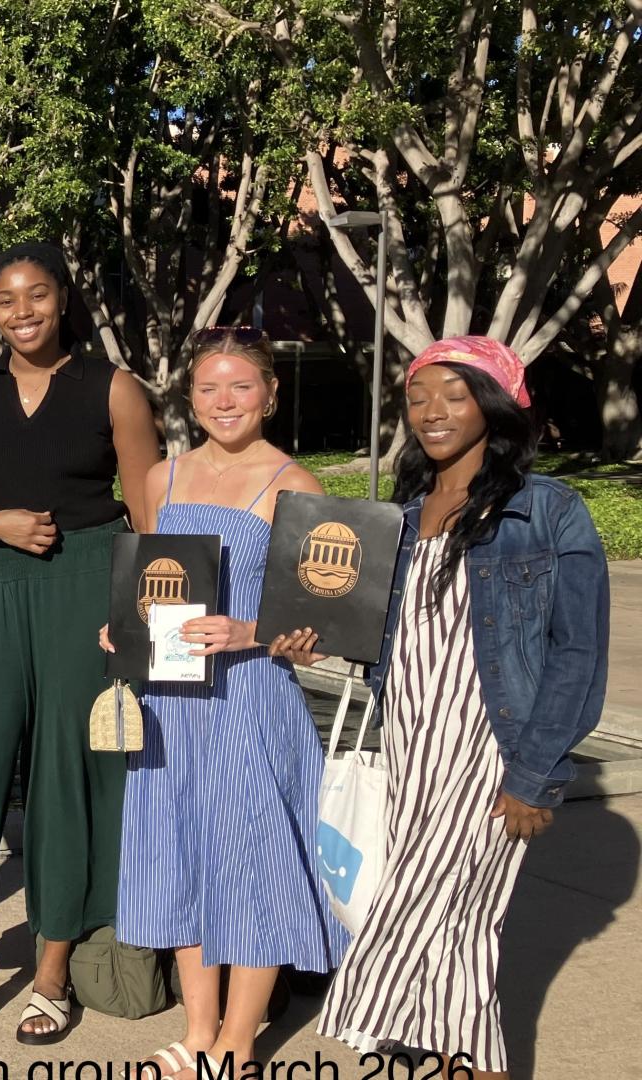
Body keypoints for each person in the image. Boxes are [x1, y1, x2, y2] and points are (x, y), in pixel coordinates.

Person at [283, 337, 609, 1080]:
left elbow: (578, 654)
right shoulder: (398, 517)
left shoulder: (547, 510)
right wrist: (318, 642)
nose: (431, 412)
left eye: (453, 395)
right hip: (410, 746)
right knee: (457, 936)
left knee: (441, 919)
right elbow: (389, 643)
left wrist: (534, 775)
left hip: (490, 749)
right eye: (418, 397)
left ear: (493, 404)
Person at [0, 242, 160, 1051]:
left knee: (68, 772)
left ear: (63, 300)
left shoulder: (113, 388)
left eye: (37, 295)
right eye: (7, 299)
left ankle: (51, 974)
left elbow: (150, 519)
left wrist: (138, 614)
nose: (22, 312)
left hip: (86, 582)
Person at [102, 329, 345, 1079]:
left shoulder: (295, 483)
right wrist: (124, 628)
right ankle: (198, 1027)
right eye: (210, 387)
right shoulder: (159, 480)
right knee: (181, 852)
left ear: (270, 393)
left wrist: (251, 630)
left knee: (254, 861)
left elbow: (323, 625)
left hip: (249, 699)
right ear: (190, 397)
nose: (225, 401)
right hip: (171, 701)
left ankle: (239, 1040)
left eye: (241, 386)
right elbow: (154, 580)